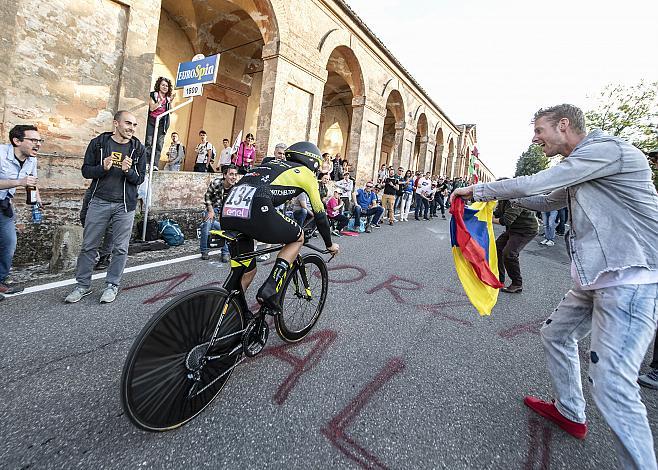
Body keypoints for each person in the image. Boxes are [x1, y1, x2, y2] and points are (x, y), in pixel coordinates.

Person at [451, 104, 658, 469]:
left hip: (630, 279)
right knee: (555, 335)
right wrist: (500, 196)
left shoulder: (607, 150)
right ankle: (570, 411)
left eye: (539, 130)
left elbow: (539, 183)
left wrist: (480, 189)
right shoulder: (585, 168)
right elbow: (545, 199)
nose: (535, 138)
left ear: (563, 125)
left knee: (612, 385)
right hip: (596, 278)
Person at [220, 141, 339, 312]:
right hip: (257, 206)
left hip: (229, 209)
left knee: (246, 272)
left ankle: (225, 315)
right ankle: (270, 288)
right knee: (298, 237)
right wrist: (329, 245)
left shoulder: (270, 164)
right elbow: (320, 214)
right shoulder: (306, 174)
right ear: (313, 162)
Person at [65, 110, 146, 304]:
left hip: (124, 205)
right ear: (116, 123)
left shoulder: (138, 148)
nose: (132, 128)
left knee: (120, 248)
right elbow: (86, 171)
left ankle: (112, 285)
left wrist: (128, 171)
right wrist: (102, 167)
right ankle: (83, 285)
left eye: (134, 125)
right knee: (89, 246)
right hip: (99, 201)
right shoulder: (99, 143)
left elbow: (140, 178)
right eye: (128, 123)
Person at [0, 124, 42, 295]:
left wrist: (37, 200)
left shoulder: (32, 159)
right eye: (33, 140)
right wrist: (18, 182)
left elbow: (31, 182)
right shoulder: (1, 154)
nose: (38, 144)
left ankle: (1, 280)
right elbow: (22, 181)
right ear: (16, 140)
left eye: (40, 141)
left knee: (9, 243)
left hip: (4, 206)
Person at [493, 194, 538, 293]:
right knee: (497, 247)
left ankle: (517, 284)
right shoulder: (503, 198)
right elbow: (498, 213)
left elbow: (506, 220)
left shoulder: (516, 200)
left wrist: (488, 219)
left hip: (526, 230)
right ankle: (499, 279)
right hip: (514, 229)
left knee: (509, 253)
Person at [200, 165, 238, 262]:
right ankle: (204, 250)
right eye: (231, 174)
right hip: (214, 209)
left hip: (227, 212)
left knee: (228, 228)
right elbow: (207, 197)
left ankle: (225, 253)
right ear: (225, 175)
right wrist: (210, 211)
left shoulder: (237, 188)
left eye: (235, 174)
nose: (234, 177)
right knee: (207, 223)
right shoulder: (216, 183)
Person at [145, 77, 175, 162]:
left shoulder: (168, 98)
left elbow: (171, 112)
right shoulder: (153, 95)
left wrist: (170, 102)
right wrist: (160, 102)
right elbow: (151, 108)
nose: (165, 87)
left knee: (159, 143)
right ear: (159, 85)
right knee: (149, 142)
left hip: (162, 123)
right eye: (163, 85)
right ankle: (147, 163)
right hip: (152, 120)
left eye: (166, 86)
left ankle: (155, 164)